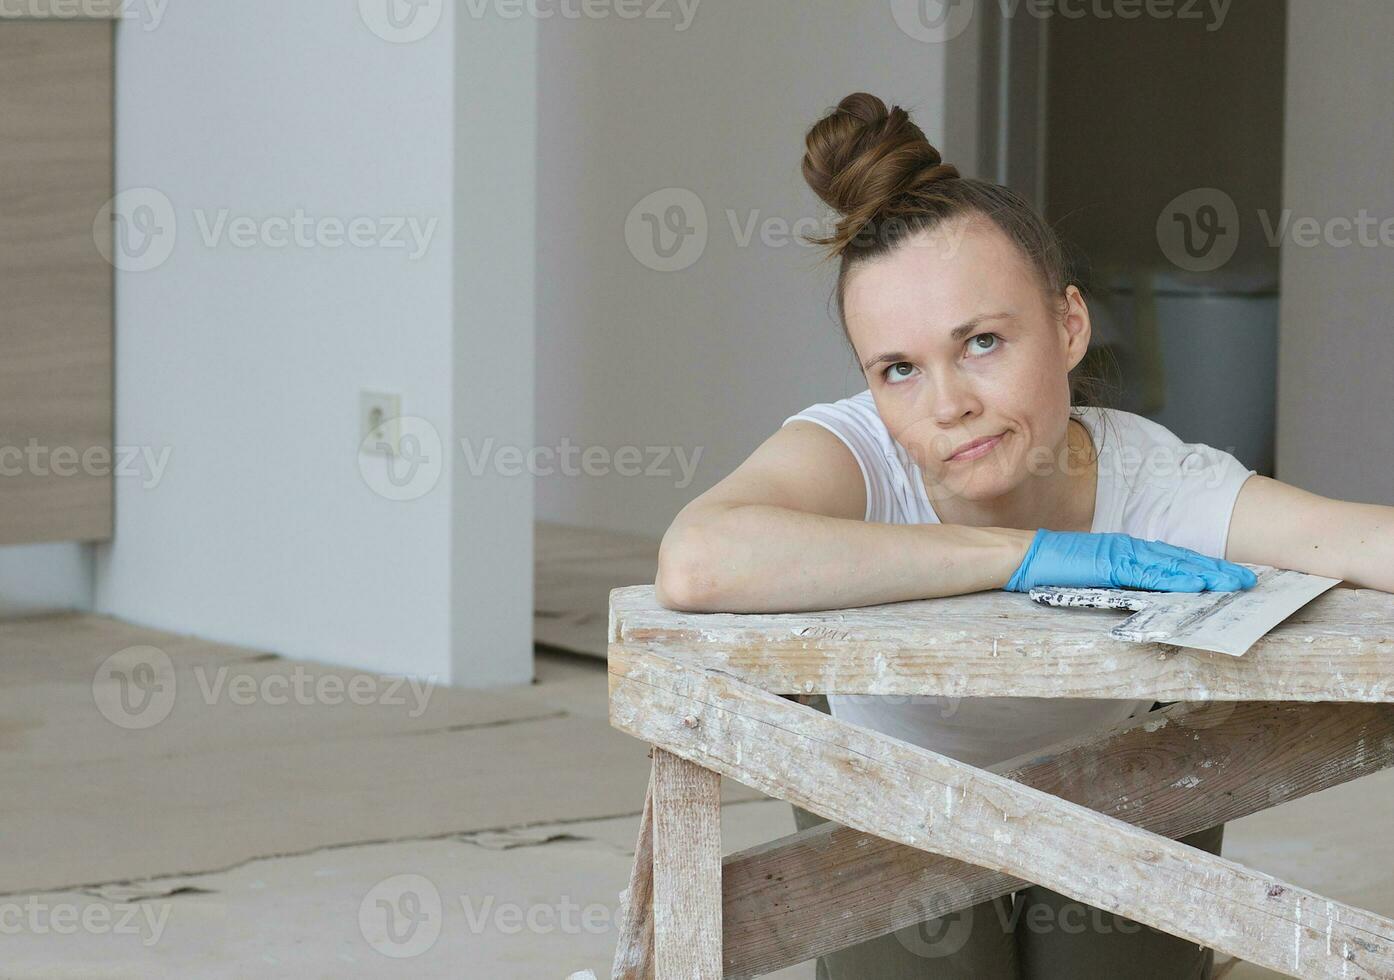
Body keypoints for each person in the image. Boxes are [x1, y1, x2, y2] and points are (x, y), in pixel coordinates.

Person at [652, 92, 1394, 978]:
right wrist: (1022, 558)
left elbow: (1357, 541)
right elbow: (698, 559)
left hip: (1111, 769)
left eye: (982, 343)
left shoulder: (1154, 479)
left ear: (1068, 326)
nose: (947, 403)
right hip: (891, 779)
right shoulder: (857, 448)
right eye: (899, 369)